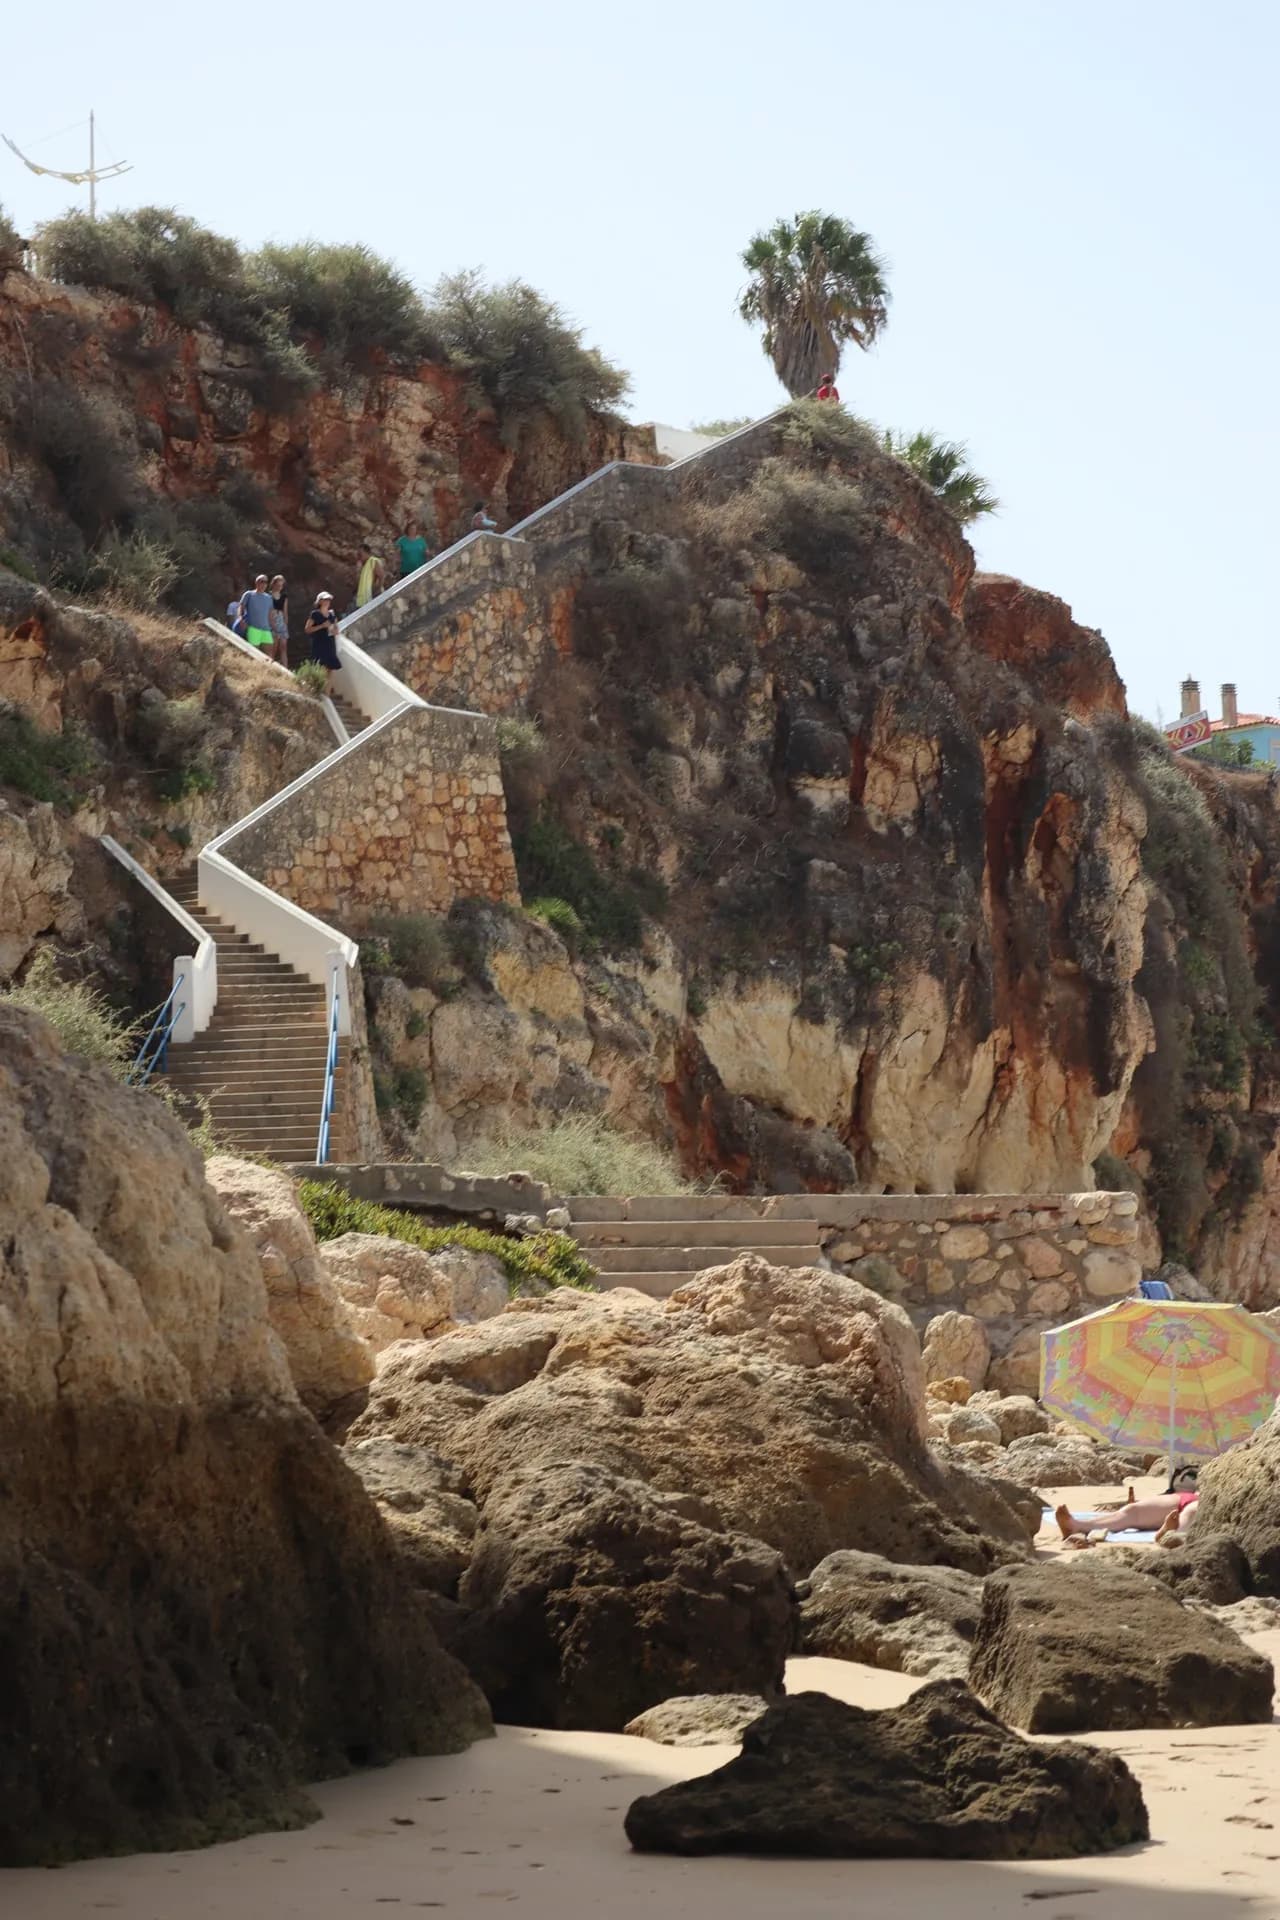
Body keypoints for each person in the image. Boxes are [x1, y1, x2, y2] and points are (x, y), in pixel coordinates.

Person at [1055, 1491, 1198, 1541]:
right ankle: (1076, 1526)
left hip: (1204, 1502)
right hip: (1188, 1497)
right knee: (1132, 1510)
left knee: (1190, 1513)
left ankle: (1171, 1536)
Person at [305, 590, 342, 694]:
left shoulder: (332, 614)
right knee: (320, 667)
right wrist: (321, 626)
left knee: (330, 668)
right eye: (325, 599)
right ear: (319, 601)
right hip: (319, 643)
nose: (327, 601)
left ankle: (327, 693)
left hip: (330, 643)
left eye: (328, 599)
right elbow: (307, 629)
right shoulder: (315, 614)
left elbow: (336, 630)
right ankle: (320, 691)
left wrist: (333, 628)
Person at [238, 574, 275, 652]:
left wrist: (274, 629)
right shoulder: (249, 594)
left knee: (269, 654)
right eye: (262, 581)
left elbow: (270, 615)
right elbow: (241, 607)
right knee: (254, 653)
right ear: (256, 582)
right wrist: (240, 619)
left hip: (266, 629)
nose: (264, 584)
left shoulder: (269, 598)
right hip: (253, 629)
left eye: (266, 582)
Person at [354, 542, 385, 608]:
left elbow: (381, 576)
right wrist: (358, 570)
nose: (358, 556)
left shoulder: (373, 561)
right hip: (362, 601)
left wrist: (378, 590)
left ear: (366, 552)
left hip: (370, 598)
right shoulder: (363, 565)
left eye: (360, 553)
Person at [268, 574, 289, 666]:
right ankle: (270, 664)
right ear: (274, 584)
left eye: (281, 585)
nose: (280, 587)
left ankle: (285, 667)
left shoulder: (284, 596)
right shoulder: (268, 596)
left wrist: (285, 623)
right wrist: (272, 624)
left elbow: (285, 611)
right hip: (272, 619)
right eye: (278, 585)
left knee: (283, 646)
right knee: (274, 646)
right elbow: (268, 611)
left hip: (281, 620)